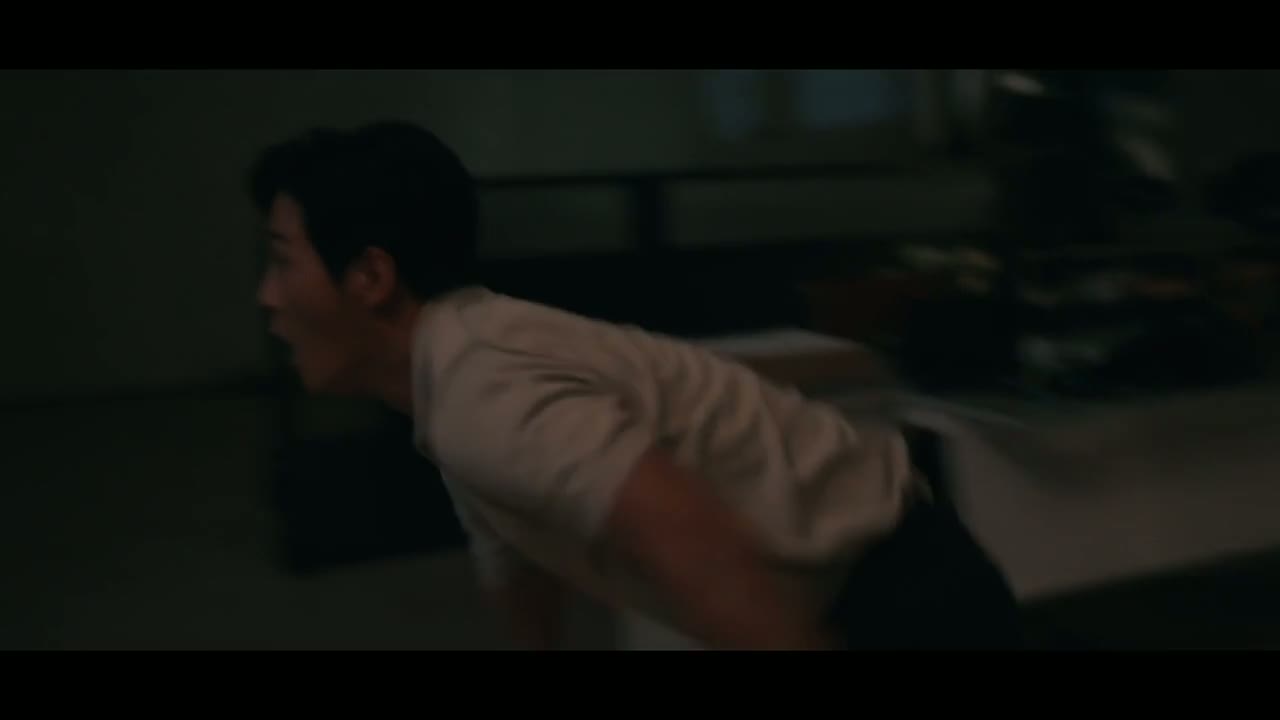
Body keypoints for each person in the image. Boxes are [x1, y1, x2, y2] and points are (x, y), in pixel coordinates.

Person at [250, 121, 1024, 650]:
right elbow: (512, 551)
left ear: (371, 276)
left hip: (902, 591)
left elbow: (695, 544)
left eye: (283, 261)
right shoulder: (455, 371)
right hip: (865, 572)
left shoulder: (481, 389)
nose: (268, 296)